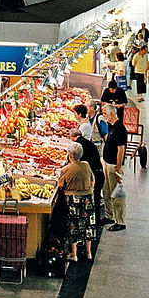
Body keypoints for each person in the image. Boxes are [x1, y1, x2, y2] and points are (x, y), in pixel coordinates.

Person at [57, 142, 96, 261]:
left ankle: (74, 254)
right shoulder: (86, 165)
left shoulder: (66, 169)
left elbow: (60, 185)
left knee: (73, 224)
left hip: (73, 199)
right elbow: (92, 181)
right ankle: (88, 252)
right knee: (89, 223)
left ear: (69, 155)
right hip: (88, 198)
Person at [101, 103, 127, 232]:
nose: (104, 116)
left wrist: (118, 167)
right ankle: (109, 215)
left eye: (105, 114)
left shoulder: (120, 128)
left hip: (113, 166)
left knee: (116, 194)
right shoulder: (111, 126)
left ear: (112, 114)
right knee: (106, 191)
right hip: (106, 163)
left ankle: (120, 221)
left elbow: (121, 150)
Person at [70, 127, 104, 224]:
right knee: (95, 198)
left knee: (93, 199)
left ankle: (93, 222)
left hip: (94, 175)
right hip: (99, 172)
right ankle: (95, 221)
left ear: (74, 137)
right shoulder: (87, 142)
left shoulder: (79, 145)